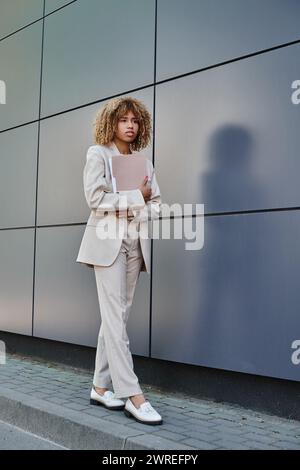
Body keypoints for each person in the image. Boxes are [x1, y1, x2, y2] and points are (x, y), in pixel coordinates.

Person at [76, 97, 163, 425]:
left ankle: (100, 386)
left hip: (134, 244)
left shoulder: (143, 162)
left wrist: (141, 203)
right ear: (111, 123)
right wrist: (134, 199)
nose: (130, 125)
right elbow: (94, 198)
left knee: (119, 316)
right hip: (106, 245)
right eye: (123, 120)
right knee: (114, 317)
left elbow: (156, 202)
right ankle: (132, 394)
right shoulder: (97, 154)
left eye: (135, 120)